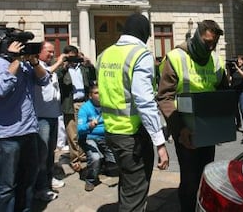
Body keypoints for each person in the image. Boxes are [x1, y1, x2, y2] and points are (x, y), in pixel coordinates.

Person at [97, 13, 169, 212]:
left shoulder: (104, 55)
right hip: (132, 135)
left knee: (128, 184)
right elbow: (145, 102)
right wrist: (159, 142)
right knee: (135, 195)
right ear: (145, 32)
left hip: (111, 131)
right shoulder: (141, 54)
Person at [157, 19, 228, 212]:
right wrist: (180, 129)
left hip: (208, 130)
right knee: (189, 179)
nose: (210, 47)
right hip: (185, 130)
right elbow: (164, 97)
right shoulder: (176, 58)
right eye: (207, 42)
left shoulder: (215, 59)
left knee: (207, 173)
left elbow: (223, 91)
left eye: (214, 43)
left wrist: (222, 122)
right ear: (197, 37)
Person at [0, 40, 50, 212]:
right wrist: (16, 61)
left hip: (28, 131)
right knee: (6, 186)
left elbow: (44, 80)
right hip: (6, 134)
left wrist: (34, 62)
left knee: (27, 181)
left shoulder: (27, 65)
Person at [33, 41, 66, 202]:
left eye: (54, 52)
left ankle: (48, 179)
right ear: (39, 52)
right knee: (42, 153)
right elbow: (44, 76)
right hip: (41, 116)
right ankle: (40, 187)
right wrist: (59, 62)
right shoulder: (36, 66)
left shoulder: (48, 66)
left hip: (53, 114)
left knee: (50, 152)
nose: (52, 55)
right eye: (49, 52)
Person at [57, 45, 96, 173]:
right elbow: (57, 79)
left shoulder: (83, 68)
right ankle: (75, 160)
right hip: (70, 104)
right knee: (72, 133)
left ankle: (83, 155)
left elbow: (93, 79)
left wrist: (89, 64)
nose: (74, 59)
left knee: (83, 131)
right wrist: (62, 65)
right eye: (71, 56)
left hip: (84, 103)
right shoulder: (63, 69)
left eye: (76, 55)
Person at [77, 83, 118, 192]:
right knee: (95, 158)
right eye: (96, 93)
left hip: (106, 136)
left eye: (101, 92)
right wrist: (89, 125)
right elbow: (79, 129)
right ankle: (90, 180)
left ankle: (102, 166)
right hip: (89, 137)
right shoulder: (85, 108)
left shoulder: (106, 105)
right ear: (90, 96)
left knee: (115, 160)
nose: (99, 95)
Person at [228, 55, 243, 136]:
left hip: (242, 92)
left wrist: (237, 68)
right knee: (235, 109)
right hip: (234, 90)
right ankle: (238, 123)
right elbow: (229, 80)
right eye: (238, 60)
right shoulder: (233, 69)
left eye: (240, 60)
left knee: (242, 109)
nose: (238, 61)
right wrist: (228, 70)